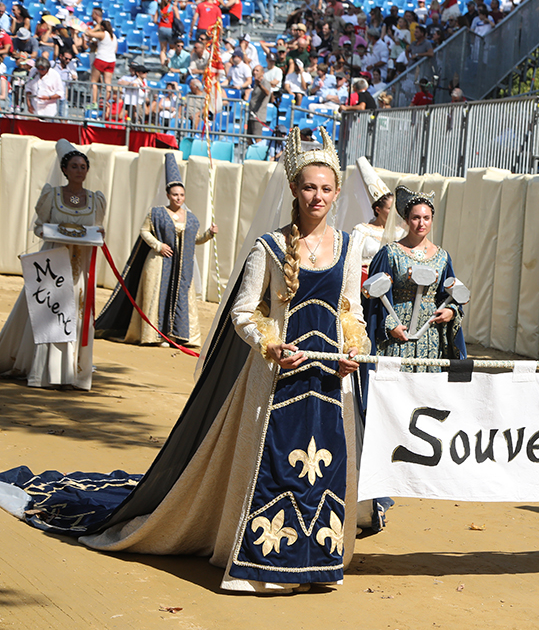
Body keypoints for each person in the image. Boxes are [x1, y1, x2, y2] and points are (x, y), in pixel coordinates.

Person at [6, 128, 367, 593]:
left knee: (328, 463)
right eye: (308, 187)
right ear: (294, 190)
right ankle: (262, 566)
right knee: (274, 463)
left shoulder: (348, 245)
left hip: (329, 379)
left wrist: (352, 347)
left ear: (336, 193)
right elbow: (243, 312)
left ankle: (315, 563)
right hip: (276, 378)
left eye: (325, 188)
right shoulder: (270, 247)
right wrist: (271, 343)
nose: (316, 196)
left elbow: (350, 309)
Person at [0, 142, 107, 390]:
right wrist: (52, 232)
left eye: (83, 166)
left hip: (80, 268)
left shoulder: (95, 200)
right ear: (65, 170)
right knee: (51, 312)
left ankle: (71, 373)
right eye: (74, 166)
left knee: (75, 315)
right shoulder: (53, 195)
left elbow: (97, 230)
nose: (79, 170)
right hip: (52, 263)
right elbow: (39, 226)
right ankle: (46, 373)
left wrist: (97, 233)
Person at [96, 154, 218, 347]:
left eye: (181, 195)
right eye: (175, 194)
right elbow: (144, 231)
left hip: (181, 267)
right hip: (158, 262)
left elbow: (194, 240)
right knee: (156, 297)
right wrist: (158, 245)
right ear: (168, 195)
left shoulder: (191, 218)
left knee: (181, 296)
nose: (178, 198)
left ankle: (179, 335)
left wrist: (209, 234)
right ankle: (155, 335)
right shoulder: (157, 213)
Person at [364, 185, 466, 371]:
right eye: (416, 218)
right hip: (398, 333)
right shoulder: (390, 253)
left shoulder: (443, 257)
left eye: (426, 218)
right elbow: (373, 298)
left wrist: (451, 311)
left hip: (430, 334)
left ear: (432, 220)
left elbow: (450, 292)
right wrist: (390, 325)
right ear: (406, 220)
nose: (421, 223)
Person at [349, 156, 395, 275]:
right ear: (378, 210)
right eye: (389, 208)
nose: (393, 212)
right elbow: (351, 260)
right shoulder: (362, 231)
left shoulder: (399, 232)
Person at [85, 17, 115, 108]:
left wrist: (96, 28)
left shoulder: (103, 34)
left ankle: (94, 102)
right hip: (111, 60)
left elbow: (88, 33)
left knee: (94, 81)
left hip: (101, 59)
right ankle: (106, 102)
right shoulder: (114, 36)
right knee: (108, 83)